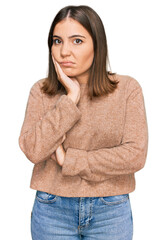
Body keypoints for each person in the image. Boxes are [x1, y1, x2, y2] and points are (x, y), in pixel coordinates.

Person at [18, 5, 148, 240]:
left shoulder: (127, 89)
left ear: (97, 45)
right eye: (57, 41)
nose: (64, 51)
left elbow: (135, 155)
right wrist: (71, 98)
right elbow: (34, 150)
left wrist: (70, 159)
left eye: (77, 41)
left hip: (111, 211)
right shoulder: (41, 91)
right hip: (51, 209)